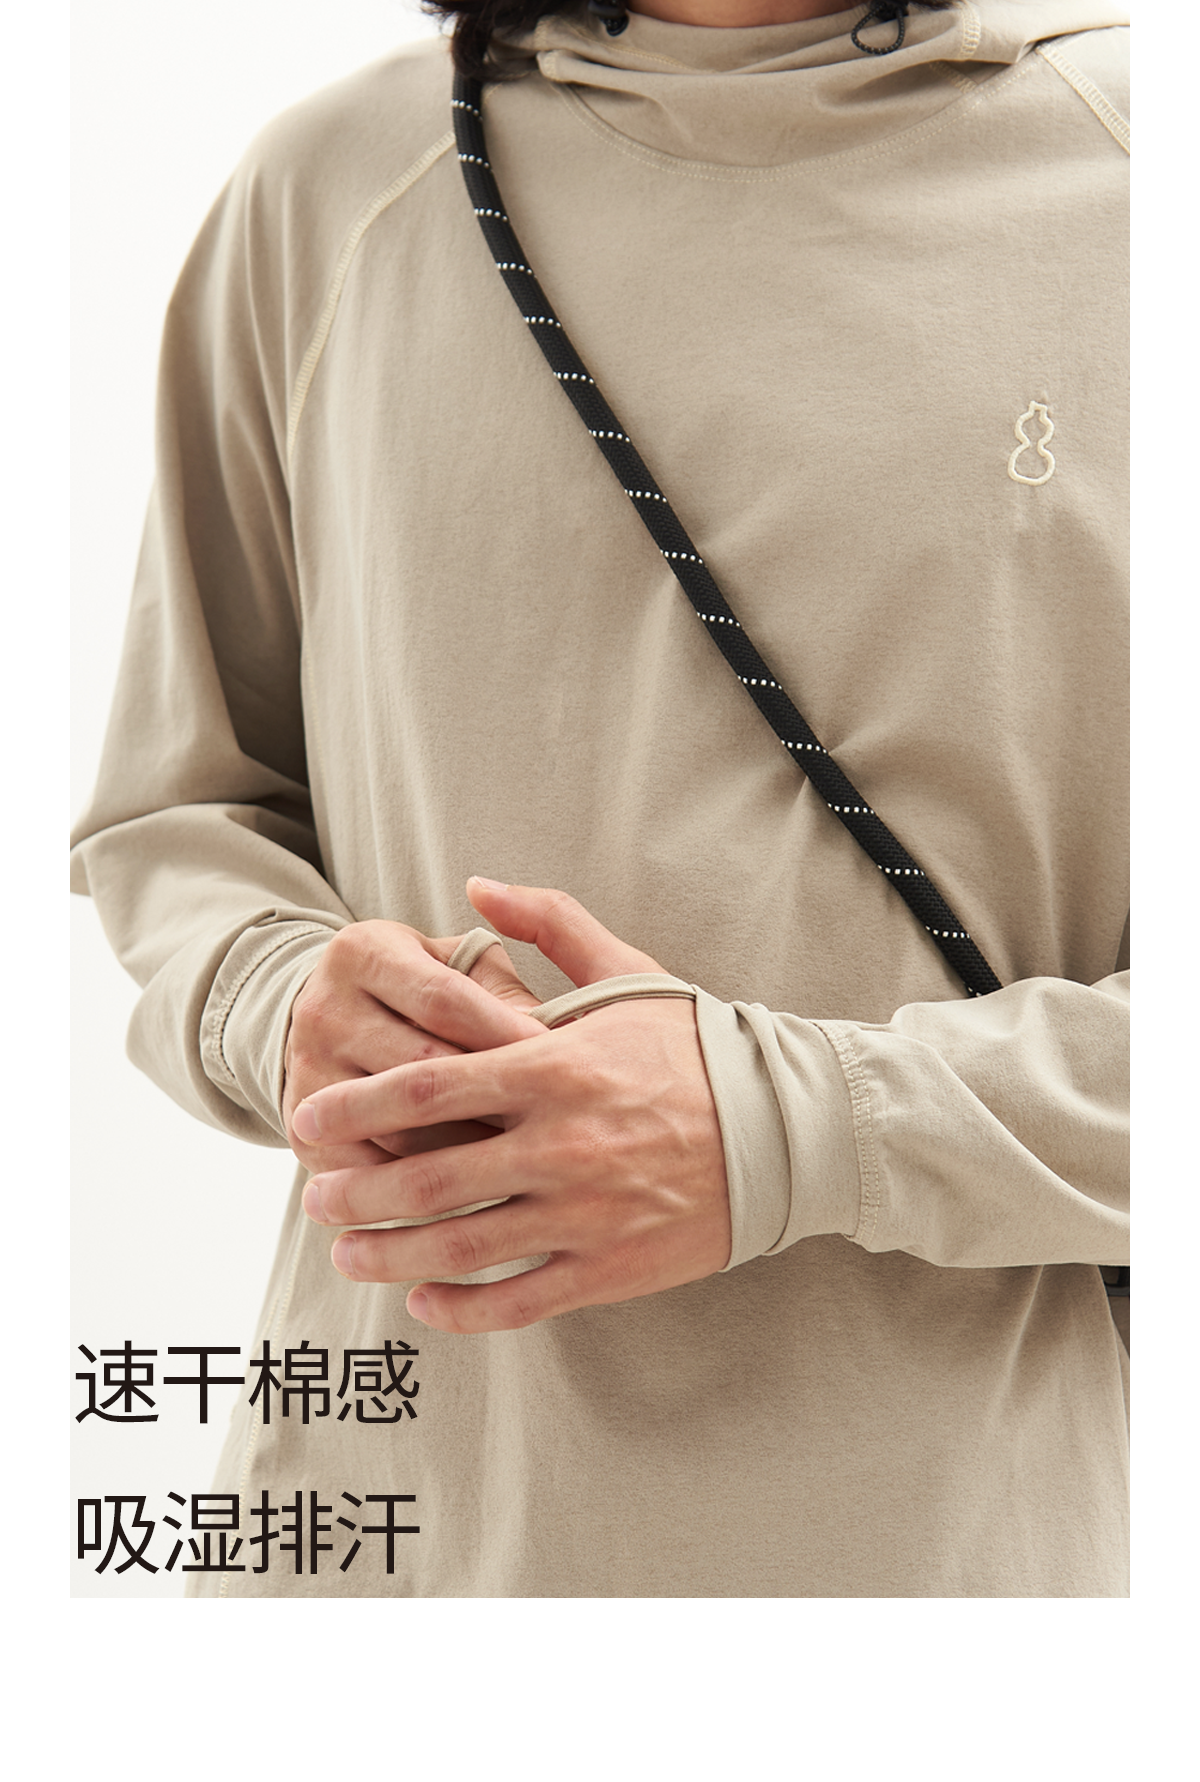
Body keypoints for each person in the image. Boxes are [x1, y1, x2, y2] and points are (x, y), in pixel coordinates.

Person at [70, 0, 1129, 1596]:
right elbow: (175, 815)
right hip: (380, 1558)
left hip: (949, 1570)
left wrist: (794, 1125)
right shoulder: (333, 187)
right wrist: (282, 999)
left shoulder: (1136, 185)